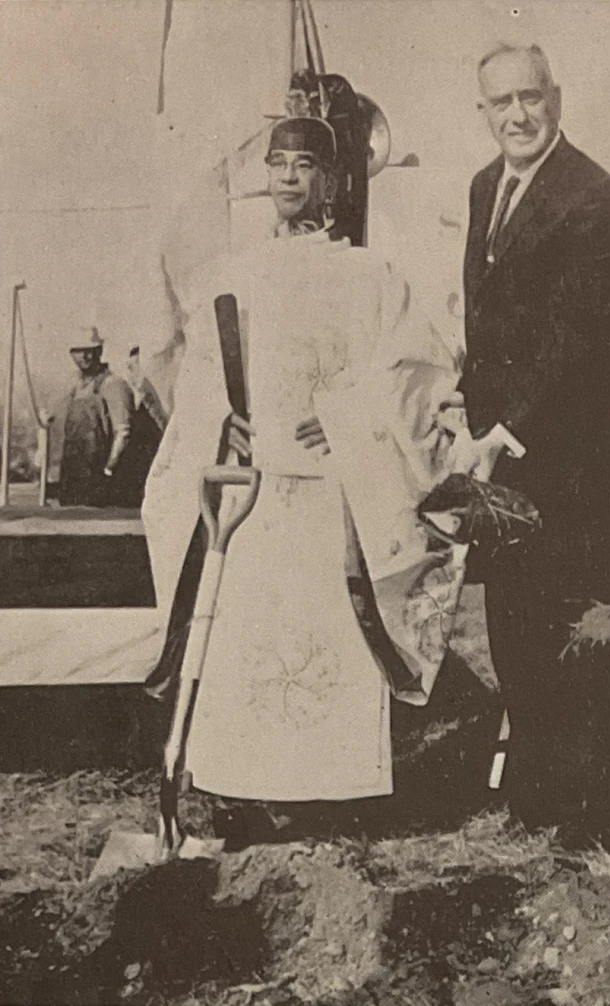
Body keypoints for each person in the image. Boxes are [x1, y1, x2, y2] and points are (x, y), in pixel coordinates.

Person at [142, 85, 469, 845]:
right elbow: (198, 373)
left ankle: (331, 797)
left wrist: (351, 412)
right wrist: (219, 421)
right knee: (247, 635)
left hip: (333, 497)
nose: (289, 177)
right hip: (250, 500)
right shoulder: (235, 274)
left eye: (305, 165)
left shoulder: (372, 277)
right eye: (278, 163)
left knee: (329, 642)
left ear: (334, 180)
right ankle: (242, 791)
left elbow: (419, 372)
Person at [458, 43, 610, 846]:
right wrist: (470, 417)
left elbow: (574, 337)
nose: (518, 115)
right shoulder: (485, 188)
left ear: (556, 99)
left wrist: (508, 427)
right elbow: (487, 328)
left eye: (530, 97)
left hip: (572, 465)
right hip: (503, 463)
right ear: (483, 111)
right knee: (516, 625)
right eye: (501, 102)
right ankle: (538, 792)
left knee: (583, 634)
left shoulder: (595, 200)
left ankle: (598, 811)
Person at [58, 327, 134, 507]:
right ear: (71, 354)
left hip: (99, 476)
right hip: (73, 473)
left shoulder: (113, 384)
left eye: (89, 350)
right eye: (79, 351)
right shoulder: (73, 385)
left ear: (99, 351)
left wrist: (109, 469)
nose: (84, 356)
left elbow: (123, 432)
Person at [113, 345, 168, 507]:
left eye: (133, 367)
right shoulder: (137, 391)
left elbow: (161, 420)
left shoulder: (149, 390)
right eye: (129, 368)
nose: (130, 373)